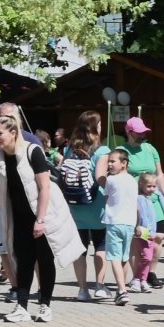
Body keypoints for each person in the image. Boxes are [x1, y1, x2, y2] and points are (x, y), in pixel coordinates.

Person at [0, 113, 82, 322]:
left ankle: (44, 305)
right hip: (17, 217)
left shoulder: (32, 152)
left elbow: (44, 188)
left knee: (44, 260)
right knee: (23, 261)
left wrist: (40, 220)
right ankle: (22, 307)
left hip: (43, 215)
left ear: (13, 132)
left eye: (0, 133)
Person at [60, 112, 111, 300]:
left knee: (80, 249)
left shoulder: (69, 150)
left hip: (75, 206)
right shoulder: (102, 152)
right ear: (95, 127)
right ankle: (100, 285)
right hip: (96, 205)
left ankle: (82, 290)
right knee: (101, 246)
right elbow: (100, 177)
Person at [100, 147, 139, 305]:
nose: (109, 164)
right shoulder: (133, 180)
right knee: (124, 257)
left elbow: (106, 197)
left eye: (113, 161)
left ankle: (122, 290)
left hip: (114, 222)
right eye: (109, 161)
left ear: (124, 163)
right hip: (129, 223)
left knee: (114, 257)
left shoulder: (111, 180)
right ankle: (121, 289)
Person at [130, 171, 164, 293]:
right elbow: (139, 215)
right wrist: (137, 227)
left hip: (150, 232)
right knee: (146, 257)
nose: (152, 189)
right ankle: (137, 279)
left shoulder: (152, 198)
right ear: (141, 184)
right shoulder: (139, 198)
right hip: (142, 231)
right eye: (149, 186)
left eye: (154, 186)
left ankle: (142, 280)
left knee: (148, 257)